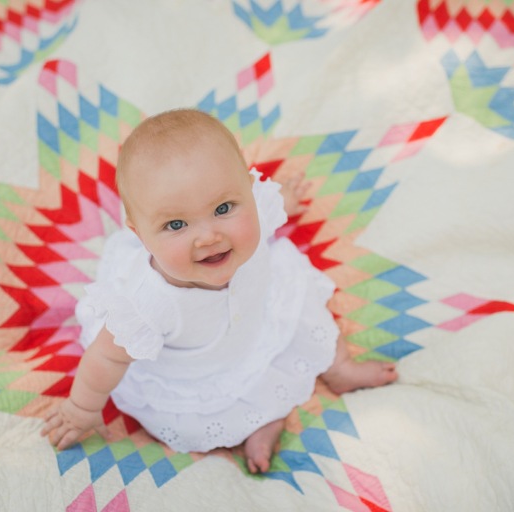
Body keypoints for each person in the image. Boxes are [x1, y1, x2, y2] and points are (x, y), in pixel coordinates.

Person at [41, 109, 397, 473]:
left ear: (247, 192)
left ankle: (339, 367)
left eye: (223, 208)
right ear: (141, 236)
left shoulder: (253, 213)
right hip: (203, 370)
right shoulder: (148, 303)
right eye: (176, 225)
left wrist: (284, 200)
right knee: (206, 417)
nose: (209, 237)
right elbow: (106, 358)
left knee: (304, 302)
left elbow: (265, 207)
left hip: (258, 319)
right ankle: (263, 425)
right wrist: (81, 408)